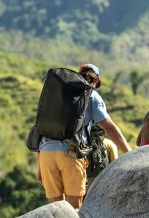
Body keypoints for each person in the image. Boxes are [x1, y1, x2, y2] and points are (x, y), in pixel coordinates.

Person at [37, 64, 131, 209]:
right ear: (95, 81)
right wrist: (129, 152)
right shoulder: (91, 94)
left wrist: (39, 167)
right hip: (72, 153)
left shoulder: (58, 93)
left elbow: (44, 126)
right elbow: (109, 127)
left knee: (55, 211)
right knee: (74, 209)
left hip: (46, 154)